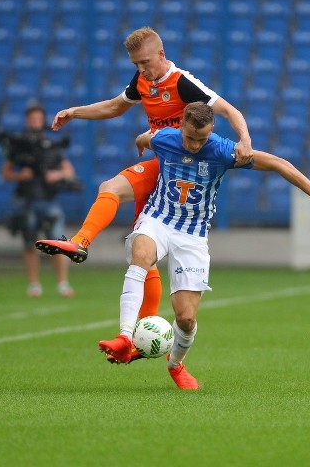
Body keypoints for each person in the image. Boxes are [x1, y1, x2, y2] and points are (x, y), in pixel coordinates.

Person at [97, 102, 310, 389]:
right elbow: (144, 138)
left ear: (211, 130)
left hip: (193, 236)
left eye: (201, 139)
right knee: (141, 255)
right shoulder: (165, 138)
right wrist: (141, 144)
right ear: (181, 126)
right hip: (158, 220)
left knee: (186, 318)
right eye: (189, 138)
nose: (193, 145)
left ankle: (176, 365)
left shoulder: (223, 150)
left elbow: (279, 164)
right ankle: (125, 337)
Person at [36, 27, 254, 339]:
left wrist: (245, 140)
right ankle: (81, 244)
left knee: (137, 243)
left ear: (162, 55)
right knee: (134, 242)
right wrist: (75, 112)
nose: (142, 70)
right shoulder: (142, 81)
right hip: (159, 165)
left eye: (146, 62)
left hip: (181, 172)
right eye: (136, 64)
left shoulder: (182, 82)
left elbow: (230, 110)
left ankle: (139, 334)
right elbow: (114, 106)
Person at [1, 100, 77, 298]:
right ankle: (34, 284)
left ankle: (62, 283)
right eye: (31, 119)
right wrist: (20, 175)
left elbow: (69, 171)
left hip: (49, 199)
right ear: (27, 121)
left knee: (57, 242)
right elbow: (6, 172)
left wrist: (57, 175)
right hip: (27, 199)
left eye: (38, 118)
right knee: (30, 243)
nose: (35, 122)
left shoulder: (51, 145)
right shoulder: (20, 146)